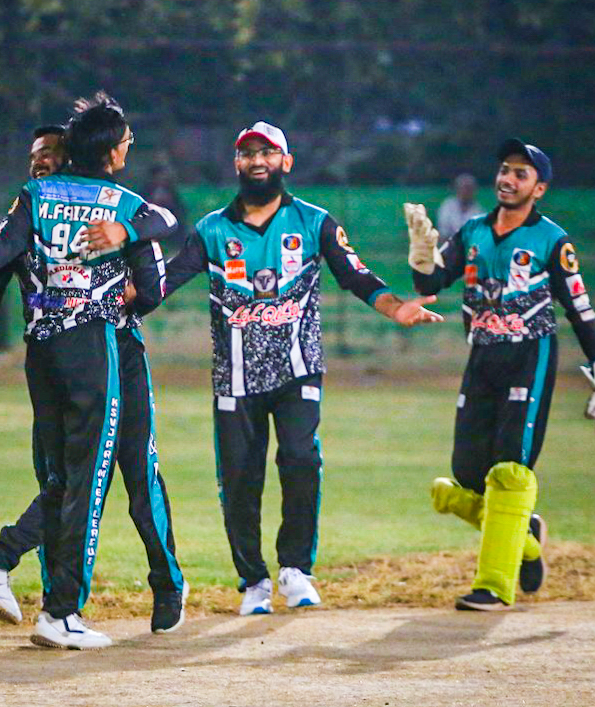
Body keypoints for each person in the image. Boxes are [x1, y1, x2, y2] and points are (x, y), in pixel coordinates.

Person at [148, 121, 443, 615]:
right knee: (239, 479)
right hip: (234, 378)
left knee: (301, 460)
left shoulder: (314, 222)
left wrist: (396, 309)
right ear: (236, 163)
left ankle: (295, 571)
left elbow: (355, 275)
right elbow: (166, 282)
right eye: (247, 154)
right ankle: (253, 581)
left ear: (286, 162)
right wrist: (115, 299)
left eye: (267, 153)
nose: (257, 161)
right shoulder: (212, 230)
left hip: (298, 371)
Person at [0, 93, 166, 649]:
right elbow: (152, 287)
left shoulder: (33, 200)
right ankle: (57, 610)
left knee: (62, 479)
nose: (41, 162)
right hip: (94, 347)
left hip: (43, 351)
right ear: (112, 151)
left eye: (49, 152)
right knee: (88, 480)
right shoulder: (124, 204)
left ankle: (3, 564)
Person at [404, 138, 595, 611]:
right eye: (505, 169)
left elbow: (579, 310)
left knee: (509, 471)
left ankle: (493, 586)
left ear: (538, 188)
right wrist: (422, 255)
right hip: (482, 356)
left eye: (521, 174)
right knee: (467, 473)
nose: (508, 178)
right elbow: (430, 284)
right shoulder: (474, 231)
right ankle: (527, 537)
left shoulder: (552, 240)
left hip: (530, 355)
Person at [437, 173, 484, 238]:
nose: (466, 191)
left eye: (469, 189)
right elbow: (443, 232)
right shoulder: (447, 206)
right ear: (457, 189)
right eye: (463, 188)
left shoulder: (479, 211)